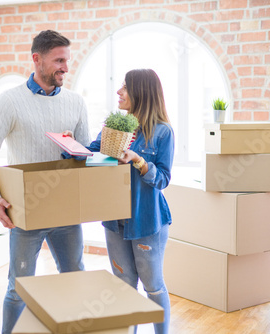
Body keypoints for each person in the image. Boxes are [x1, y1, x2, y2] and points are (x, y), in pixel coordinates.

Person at [0, 30, 90, 334]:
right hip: (26, 213)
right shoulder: (10, 101)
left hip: (67, 212)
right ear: (37, 59)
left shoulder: (76, 103)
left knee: (74, 277)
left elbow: (85, 157)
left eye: (68, 60)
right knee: (19, 288)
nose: (65, 67)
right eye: (59, 60)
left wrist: (85, 154)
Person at [75, 69, 174, 334]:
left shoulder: (162, 133)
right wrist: (70, 144)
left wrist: (139, 161)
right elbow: (90, 152)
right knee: (123, 284)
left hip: (147, 221)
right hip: (114, 220)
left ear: (141, 92)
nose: (119, 92)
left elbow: (163, 179)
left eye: (125, 88)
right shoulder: (116, 127)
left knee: (153, 285)